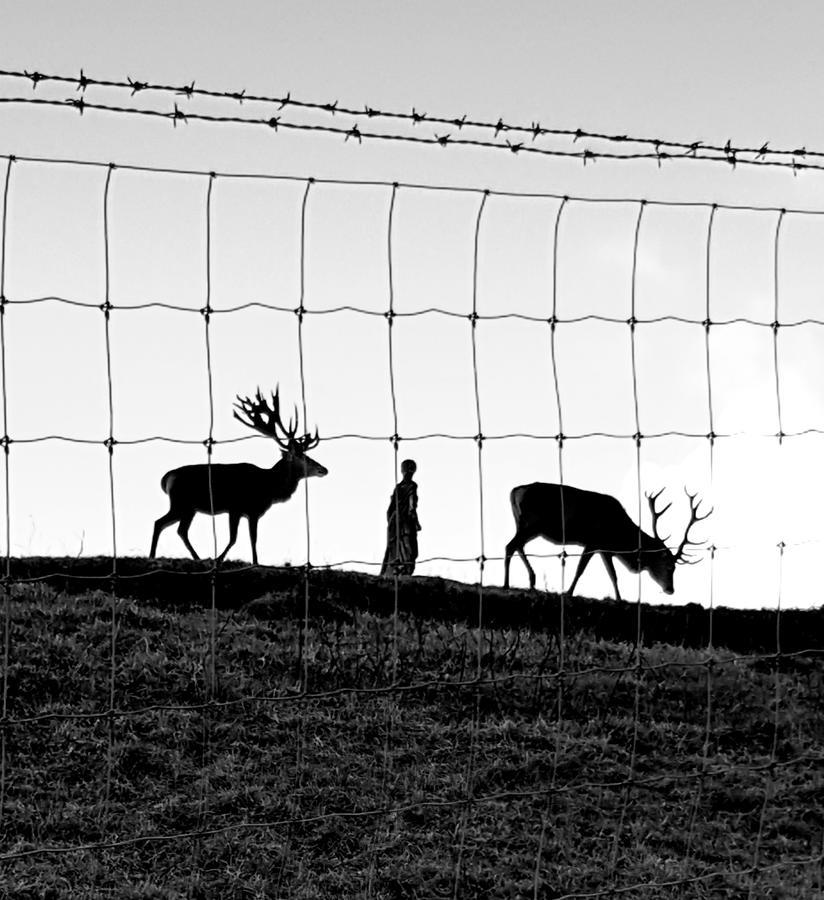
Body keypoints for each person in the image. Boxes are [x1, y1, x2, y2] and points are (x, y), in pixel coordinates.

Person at [380, 459, 421, 576]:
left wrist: (391, 520)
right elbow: (412, 506)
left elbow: (390, 508)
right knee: (409, 546)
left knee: (396, 544)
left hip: (395, 520)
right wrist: (416, 522)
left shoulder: (398, 487)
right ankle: (403, 568)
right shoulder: (412, 486)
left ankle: (396, 568)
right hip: (406, 519)